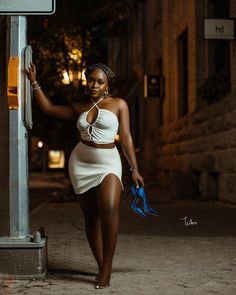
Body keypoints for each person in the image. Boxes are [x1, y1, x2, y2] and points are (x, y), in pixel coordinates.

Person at [26, 62, 144, 289]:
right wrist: (34, 82)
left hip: (108, 163)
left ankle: (107, 268)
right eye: (91, 80)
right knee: (91, 218)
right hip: (80, 164)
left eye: (100, 81)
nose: (94, 85)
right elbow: (49, 108)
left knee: (109, 208)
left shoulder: (119, 104)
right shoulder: (79, 107)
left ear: (107, 84)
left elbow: (126, 137)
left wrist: (134, 168)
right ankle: (100, 264)